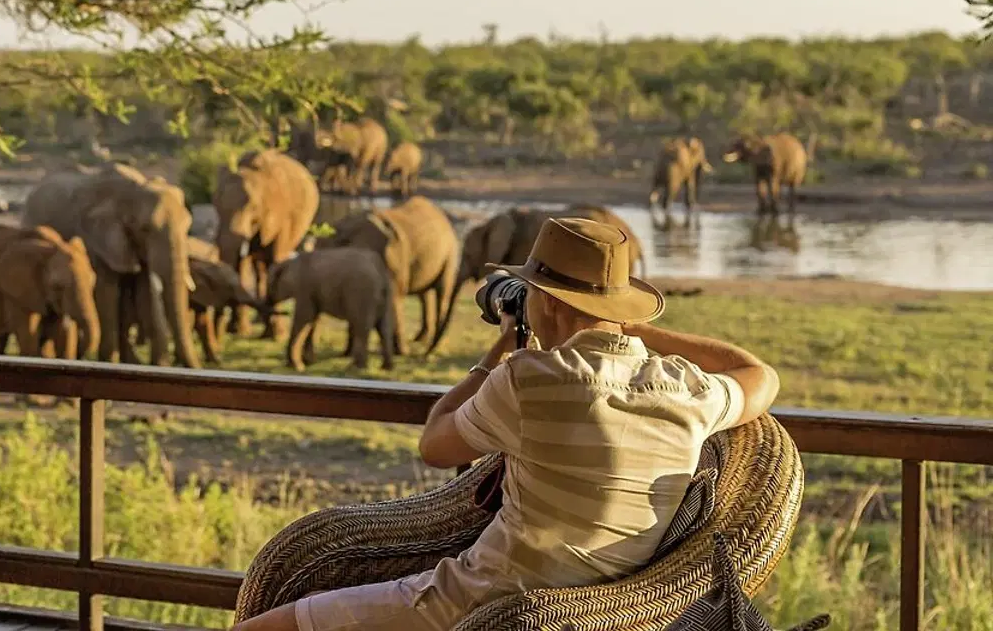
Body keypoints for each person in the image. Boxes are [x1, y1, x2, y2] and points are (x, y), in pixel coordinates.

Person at [233, 217, 779, 631]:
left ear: (549, 303)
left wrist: (497, 352)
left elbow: (436, 446)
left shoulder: (528, 380)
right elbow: (758, 374)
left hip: (480, 601)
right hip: (606, 608)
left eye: (533, 291)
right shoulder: (687, 389)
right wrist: (632, 329)